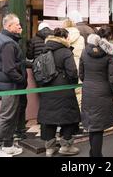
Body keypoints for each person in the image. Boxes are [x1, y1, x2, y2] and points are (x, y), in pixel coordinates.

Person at [0, 14, 27, 157]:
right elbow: (9, 69)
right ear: (9, 26)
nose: (20, 27)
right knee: (6, 117)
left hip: (6, 85)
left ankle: (8, 145)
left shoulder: (2, 39)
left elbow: (12, 63)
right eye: (17, 25)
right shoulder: (8, 43)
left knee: (11, 117)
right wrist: (21, 80)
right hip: (10, 86)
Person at [38, 28, 81, 157]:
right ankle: (66, 146)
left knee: (49, 117)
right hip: (64, 89)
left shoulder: (45, 49)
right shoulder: (66, 52)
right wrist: (73, 83)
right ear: (64, 38)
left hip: (47, 88)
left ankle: (49, 148)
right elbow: (72, 72)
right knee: (68, 116)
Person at [79, 26, 113, 157]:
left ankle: (94, 153)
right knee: (98, 127)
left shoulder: (85, 51)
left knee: (93, 124)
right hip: (103, 91)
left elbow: (81, 74)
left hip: (88, 90)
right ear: (109, 38)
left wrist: (88, 83)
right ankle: (96, 154)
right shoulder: (110, 53)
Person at [63, 18, 85, 115]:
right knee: (79, 93)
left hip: (66, 67)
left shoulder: (63, 38)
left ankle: (69, 116)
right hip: (78, 66)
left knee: (66, 94)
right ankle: (79, 116)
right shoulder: (81, 38)